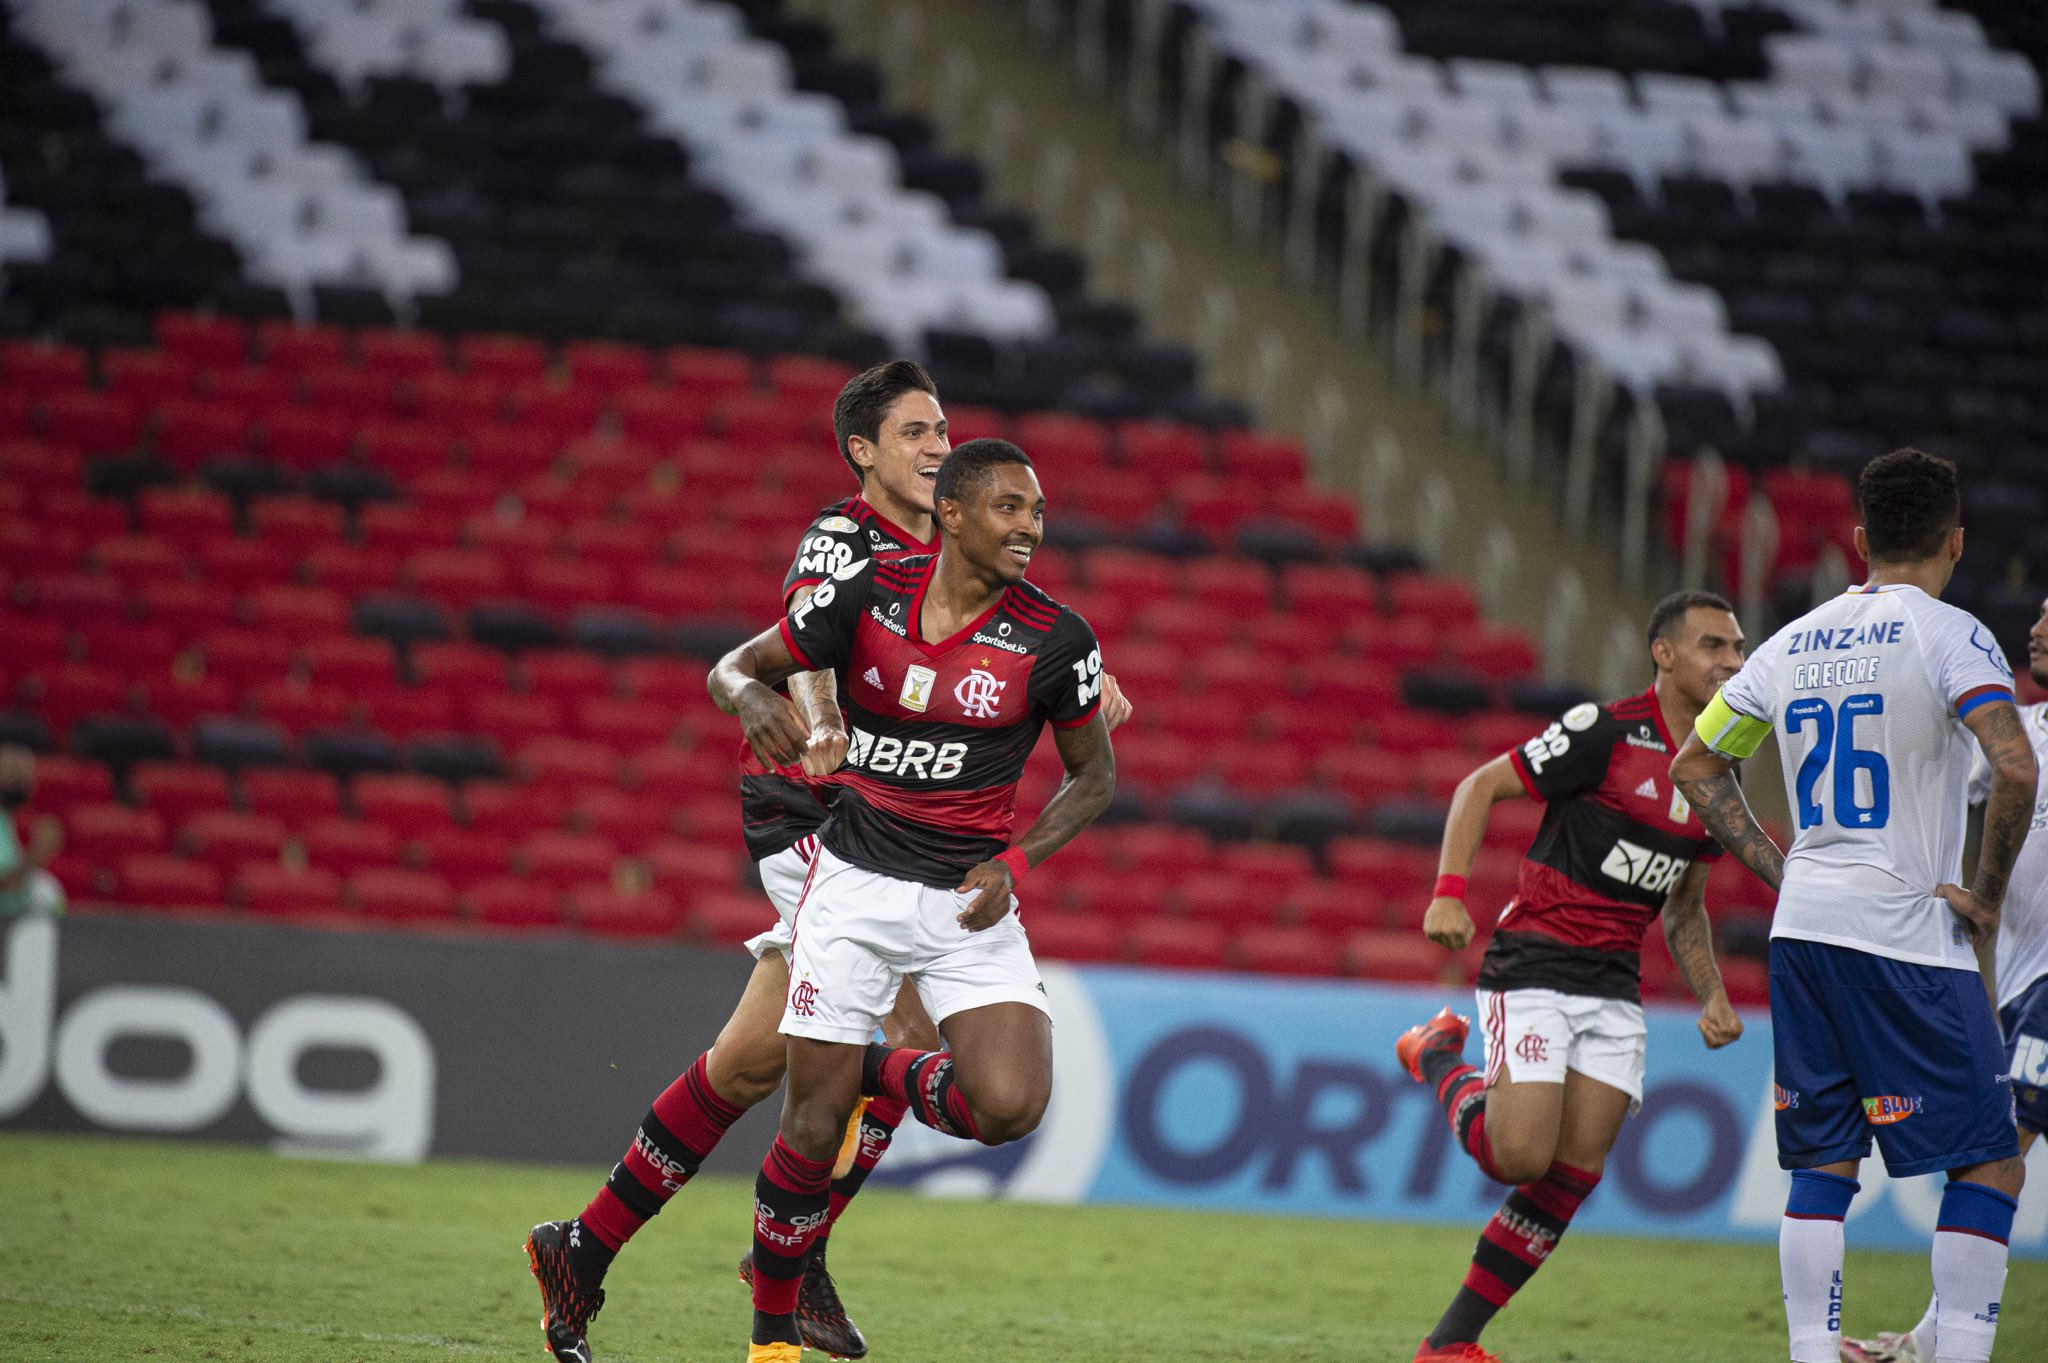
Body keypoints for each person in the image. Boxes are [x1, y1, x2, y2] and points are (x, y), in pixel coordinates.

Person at [527, 362, 1127, 1363]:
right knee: (862, 1043)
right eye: (915, 432)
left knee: (755, 1060)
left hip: (883, 819)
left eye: (943, 431)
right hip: (816, 811)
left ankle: (587, 1246)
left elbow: (1008, 658)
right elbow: (789, 650)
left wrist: (1079, 684)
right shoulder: (843, 544)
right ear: (865, 453)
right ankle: (786, 1262)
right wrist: (808, 721)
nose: (938, 444)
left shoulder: (975, 563)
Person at [708, 438, 1116, 1363]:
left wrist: (1018, 857)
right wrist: (745, 698)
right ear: (955, 514)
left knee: (1009, 1102)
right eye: (1010, 508)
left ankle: (867, 1067)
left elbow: (1094, 778)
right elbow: (734, 665)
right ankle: (770, 1338)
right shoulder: (866, 595)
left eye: (1038, 512)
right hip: (850, 889)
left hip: (967, 901)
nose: (1030, 528)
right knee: (808, 1130)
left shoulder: (1056, 637)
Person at [1670, 448, 2037, 1363]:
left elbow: (1695, 766)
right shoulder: (1952, 634)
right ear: (1955, 541)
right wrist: (1984, 898)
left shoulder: (1790, 641)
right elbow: (2016, 764)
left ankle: (1808, 1352)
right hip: (1907, 935)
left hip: (1807, 932)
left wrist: (1781, 865)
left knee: (1821, 1165)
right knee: (1990, 1157)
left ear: (1863, 539)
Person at [1394, 591, 1749, 1363]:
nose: (1732, 661)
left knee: (1571, 1175)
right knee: (1519, 1155)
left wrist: (1712, 993)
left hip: (1614, 985)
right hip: (1535, 964)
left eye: (1737, 647)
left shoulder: (1724, 769)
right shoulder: (1605, 732)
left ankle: (1449, 1343)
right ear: (1665, 654)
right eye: (1714, 645)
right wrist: (1448, 892)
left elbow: (1683, 906)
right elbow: (1479, 785)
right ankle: (1437, 1056)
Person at [1836, 590, 2048, 1363]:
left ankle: (1935, 1346)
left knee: (1993, 1148)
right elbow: (1923, 799)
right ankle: (1931, 1339)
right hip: (2023, 985)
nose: (2038, 625)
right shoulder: (2018, 737)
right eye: (2042, 611)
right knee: (1994, 1149)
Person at [0, 744, 65, 917]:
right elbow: (5, 885)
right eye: (11, 770)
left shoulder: (14, 821)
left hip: (13, 923)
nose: (20, 779)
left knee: (48, 889)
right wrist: (35, 854)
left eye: (25, 772)